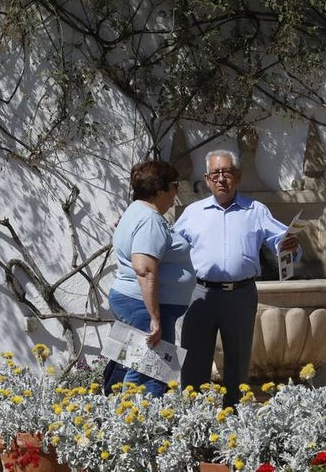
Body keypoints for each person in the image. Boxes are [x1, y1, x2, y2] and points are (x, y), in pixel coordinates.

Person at [173, 149, 300, 406]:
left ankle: (235, 419)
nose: (222, 179)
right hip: (201, 295)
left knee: (238, 362)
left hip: (241, 296)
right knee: (195, 362)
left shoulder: (256, 210)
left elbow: (282, 240)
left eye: (227, 172)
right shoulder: (192, 213)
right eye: (215, 174)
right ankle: (194, 419)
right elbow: (168, 246)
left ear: (238, 176)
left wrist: (292, 247)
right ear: (207, 179)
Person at [104, 159, 192, 396]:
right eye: (174, 185)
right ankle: (142, 427)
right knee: (150, 373)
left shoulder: (135, 212)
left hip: (134, 302)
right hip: (143, 306)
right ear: (160, 190)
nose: (176, 192)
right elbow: (144, 269)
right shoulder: (149, 220)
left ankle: (114, 419)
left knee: (128, 366)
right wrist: (155, 317)